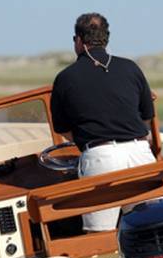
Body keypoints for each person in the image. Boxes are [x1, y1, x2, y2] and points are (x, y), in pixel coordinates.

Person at [50, 13, 156, 231]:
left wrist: (89, 140)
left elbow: (62, 129)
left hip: (101, 158)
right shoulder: (131, 68)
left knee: (99, 235)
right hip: (140, 154)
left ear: (78, 40)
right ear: (106, 38)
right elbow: (146, 117)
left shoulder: (65, 78)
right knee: (151, 227)